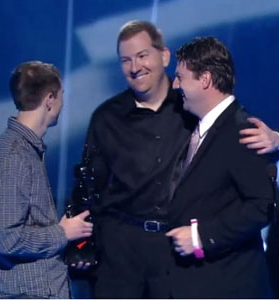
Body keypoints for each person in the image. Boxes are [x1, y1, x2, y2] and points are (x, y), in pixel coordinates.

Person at [82, 21, 279, 298]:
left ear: (164, 56)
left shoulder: (200, 113)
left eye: (142, 55)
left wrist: (277, 139)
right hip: (124, 258)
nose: (134, 67)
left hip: (186, 260)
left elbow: (259, 199)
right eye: (125, 60)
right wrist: (81, 247)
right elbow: (88, 188)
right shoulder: (106, 118)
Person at [166, 36, 275, 298]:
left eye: (180, 77)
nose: (174, 84)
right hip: (198, 283)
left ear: (204, 80)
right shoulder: (198, 128)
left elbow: (261, 205)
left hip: (229, 286)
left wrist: (201, 236)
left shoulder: (242, 131)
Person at [0, 61, 93, 299]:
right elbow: (8, 240)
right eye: (61, 95)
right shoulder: (13, 156)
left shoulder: (25, 150)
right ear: (50, 99)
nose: (62, 101)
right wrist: (63, 233)